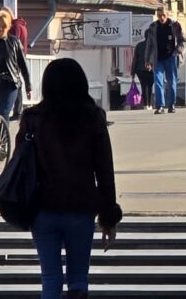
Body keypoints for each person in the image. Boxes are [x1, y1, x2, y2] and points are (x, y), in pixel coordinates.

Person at [20, 58, 121, 299]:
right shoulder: (93, 117)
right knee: (78, 278)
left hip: (43, 209)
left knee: (50, 279)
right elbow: (104, 170)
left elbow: (21, 165)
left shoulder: (33, 119)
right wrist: (108, 215)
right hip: (81, 209)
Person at [0, 9, 33, 120]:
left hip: (11, 83)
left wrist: (28, 87)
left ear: (9, 26)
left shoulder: (14, 42)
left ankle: (4, 137)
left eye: (3, 26)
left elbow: (23, 66)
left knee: (3, 112)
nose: (0, 29)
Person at [143, 7, 186, 114]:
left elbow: (182, 41)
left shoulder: (175, 25)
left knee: (172, 82)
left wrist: (178, 50)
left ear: (167, 14)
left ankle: (171, 105)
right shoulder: (153, 27)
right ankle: (160, 106)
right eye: (159, 15)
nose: (161, 17)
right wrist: (147, 60)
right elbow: (149, 44)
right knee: (158, 82)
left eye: (163, 15)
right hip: (157, 59)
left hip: (171, 57)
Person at [131, 38, 155, 111]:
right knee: (150, 86)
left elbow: (135, 58)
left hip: (140, 69)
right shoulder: (153, 45)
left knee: (143, 86)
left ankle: (145, 104)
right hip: (151, 69)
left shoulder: (139, 45)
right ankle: (149, 104)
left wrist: (133, 72)